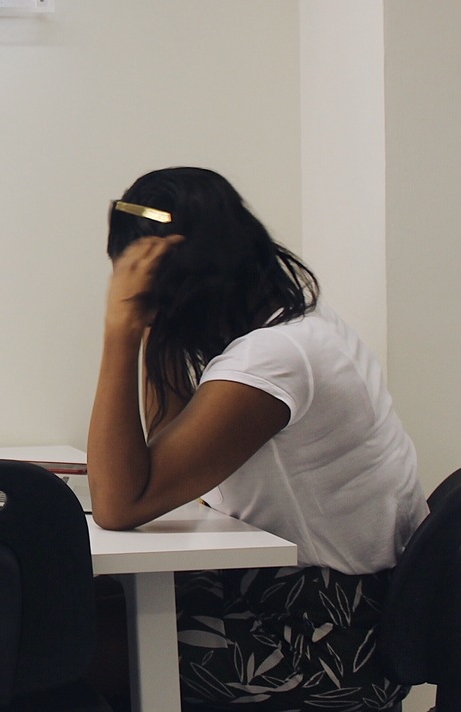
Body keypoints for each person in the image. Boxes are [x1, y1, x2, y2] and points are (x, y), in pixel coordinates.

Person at [87, 167, 425, 711]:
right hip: (333, 606)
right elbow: (163, 456)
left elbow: (119, 502)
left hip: (326, 641)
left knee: (65, 639)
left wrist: (120, 331)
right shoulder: (301, 327)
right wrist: (156, 328)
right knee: (80, 605)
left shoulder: (274, 361)